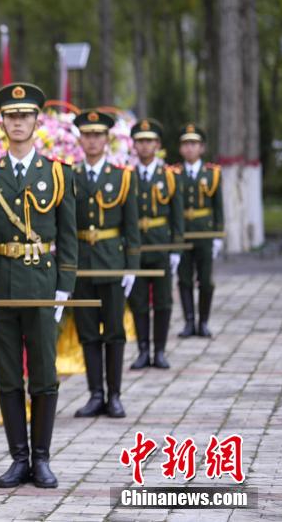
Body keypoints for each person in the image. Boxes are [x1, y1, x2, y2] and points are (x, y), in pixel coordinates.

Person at [0, 82, 77, 489]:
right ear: (2, 122)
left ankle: (42, 458)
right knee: (8, 374)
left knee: (44, 374)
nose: (18, 122)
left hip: (43, 285)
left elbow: (68, 236)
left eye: (25, 116)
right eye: (11, 116)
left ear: (36, 121)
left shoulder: (58, 174)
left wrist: (64, 287)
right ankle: (18, 458)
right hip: (1, 287)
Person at [70, 110, 140, 419]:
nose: (92, 140)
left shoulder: (122, 177)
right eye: (87, 135)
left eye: (98, 135)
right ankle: (95, 394)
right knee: (87, 333)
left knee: (114, 332)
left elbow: (131, 227)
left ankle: (114, 395)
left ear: (107, 139)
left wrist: (131, 265)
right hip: (81, 264)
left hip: (112, 262)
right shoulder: (70, 176)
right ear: (80, 140)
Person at [127, 118, 184, 369]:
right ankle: (143, 351)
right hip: (136, 247)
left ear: (158, 144)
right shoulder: (127, 177)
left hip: (161, 246)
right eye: (140, 141)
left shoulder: (169, 177)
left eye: (149, 141)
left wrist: (176, 249)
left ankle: (159, 351)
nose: (145, 145)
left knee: (162, 301)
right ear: (134, 145)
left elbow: (177, 217)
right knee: (138, 301)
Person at [174, 123, 224, 338]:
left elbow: (218, 207)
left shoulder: (212, 173)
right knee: (184, 279)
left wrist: (218, 235)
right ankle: (189, 322)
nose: (190, 148)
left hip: (205, 233)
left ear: (202, 148)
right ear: (180, 148)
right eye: (186, 144)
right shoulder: (174, 173)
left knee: (206, 280)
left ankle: (203, 322)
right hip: (183, 233)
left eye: (194, 144)